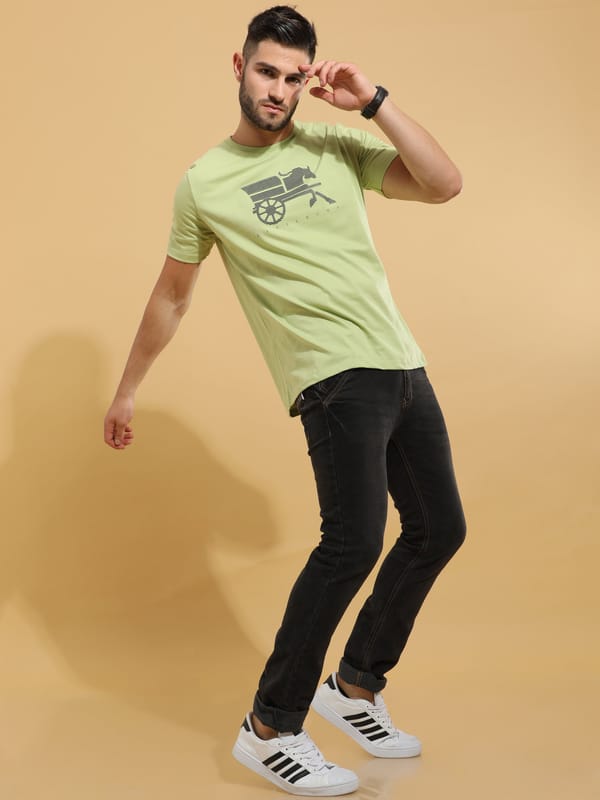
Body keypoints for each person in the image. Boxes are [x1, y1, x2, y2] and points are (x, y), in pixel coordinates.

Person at [103, 5, 466, 796]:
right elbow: (171, 295)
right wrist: (128, 390)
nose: (278, 89)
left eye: (294, 77)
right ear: (239, 67)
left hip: (402, 363)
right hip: (332, 379)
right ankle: (269, 728)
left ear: (308, 80)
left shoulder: (334, 144)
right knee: (352, 544)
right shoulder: (205, 183)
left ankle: (355, 686)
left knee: (440, 529)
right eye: (267, 71)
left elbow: (444, 184)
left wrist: (372, 102)